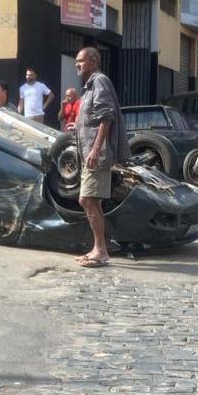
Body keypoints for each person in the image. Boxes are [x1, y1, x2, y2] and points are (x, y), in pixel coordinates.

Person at [73, 47, 130, 268]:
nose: (77, 64)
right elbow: (93, 119)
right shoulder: (88, 87)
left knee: (86, 199)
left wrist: (96, 149)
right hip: (88, 153)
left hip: (96, 154)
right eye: (76, 61)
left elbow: (106, 117)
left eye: (81, 61)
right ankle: (98, 248)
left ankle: (101, 250)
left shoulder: (99, 81)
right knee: (93, 200)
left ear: (94, 62)